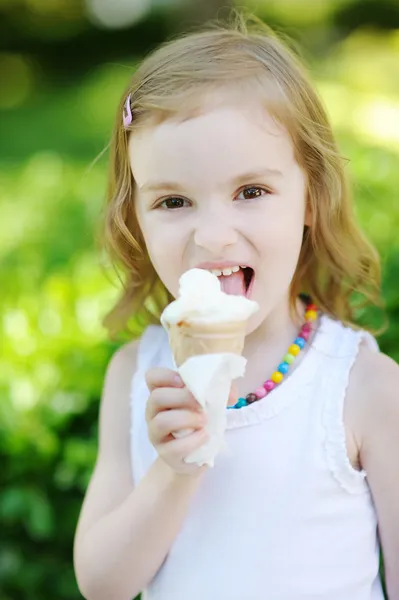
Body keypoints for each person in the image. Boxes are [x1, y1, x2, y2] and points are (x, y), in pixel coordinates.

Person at [73, 11, 399, 600]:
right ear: (137, 220)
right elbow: (102, 584)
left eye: (251, 192)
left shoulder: (364, 388)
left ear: (311, 200)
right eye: (173, 201)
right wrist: (174, 469)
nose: (214, 235)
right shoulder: (136, 375)